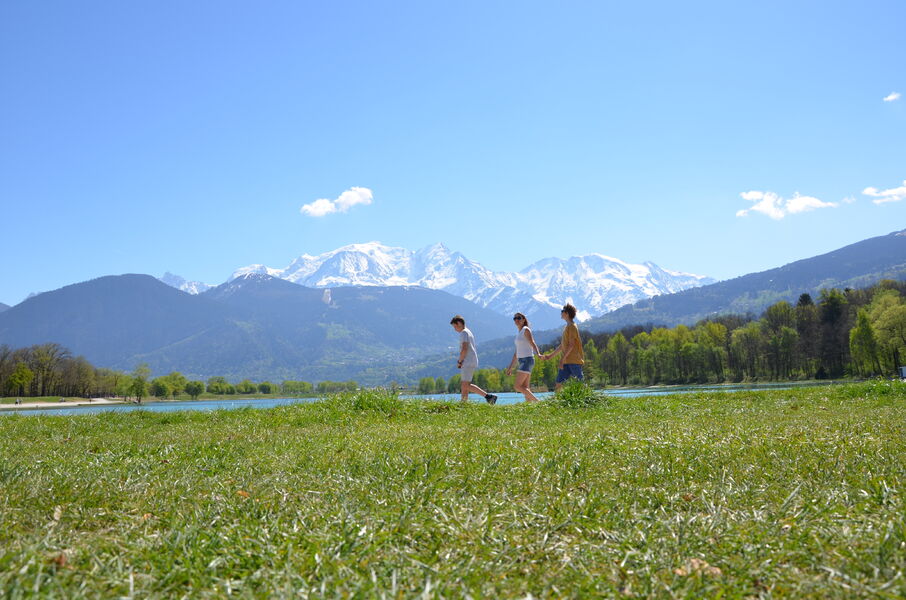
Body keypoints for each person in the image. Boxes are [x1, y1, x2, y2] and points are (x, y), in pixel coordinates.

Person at [449, 315, 498, 405]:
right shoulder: (468, 332)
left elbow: (464, 349)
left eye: (455, 326)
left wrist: (460, 361)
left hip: (467, 361)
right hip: (471, 360)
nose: (455, 329)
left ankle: (489, 397)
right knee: (465, 384)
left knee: (465, 385)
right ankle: (464, 403)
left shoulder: (463, 333)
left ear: (459, 323)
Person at [543, 303, 585, 390]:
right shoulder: (567, 327)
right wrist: (550, 356)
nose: (561, 313)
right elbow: (563, 345)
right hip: (566, 361)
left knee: (580, 383)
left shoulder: (572, 327)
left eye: (562, 311)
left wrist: (562, 359)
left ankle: (588, 400)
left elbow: (571, 345)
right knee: (559, 383)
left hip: (574, 360)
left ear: (567, 313)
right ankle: (557, 402)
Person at [505, 312, 542, 403]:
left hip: (527, 360)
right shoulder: (519, 333)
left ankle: (539, 402)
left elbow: (532, 342)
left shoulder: (526, 330)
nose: (516, 320)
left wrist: (538, 354)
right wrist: (510, 367)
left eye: (519, 318)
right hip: (522, 361)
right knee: (525, 387)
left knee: (517, 386)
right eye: (515, 318)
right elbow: (516, 353)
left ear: (524, 319)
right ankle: (528, 406)